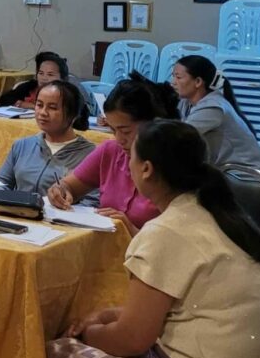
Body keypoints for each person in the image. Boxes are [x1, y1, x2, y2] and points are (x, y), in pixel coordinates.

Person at [0, 120, 260, 358]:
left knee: (56, 354)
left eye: (129, 155)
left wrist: (88, 334)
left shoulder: (167, 231)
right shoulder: (219, 214)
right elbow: (178, 309)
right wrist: (107, 317)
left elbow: (132, 339)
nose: (125, 162)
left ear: (146, 169)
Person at [48, 72, 179, 235]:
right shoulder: (111, 150)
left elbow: (178, 241)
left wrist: (129, 229)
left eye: (126, 131)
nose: (119, 139)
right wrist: (60, 191)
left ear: (153, 124)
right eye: (113, 130)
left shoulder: (175, 165)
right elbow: (70, 186)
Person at [0, 80, 97, 201]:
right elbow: (0, 185)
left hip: (62, 212)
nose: (43, 113)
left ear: (73, 115)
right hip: (18, 210)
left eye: (52, 108)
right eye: (39, 105)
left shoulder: (91, 155)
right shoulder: (22, 145)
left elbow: (92, 201)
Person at [171, 55, 260, 171]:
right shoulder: (186, 103)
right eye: (173, 76)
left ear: (198, 82)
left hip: (243, 175)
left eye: (178, 77)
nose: (173, 82)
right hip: (223, 172)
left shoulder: (213, 106)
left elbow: (178, 136)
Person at [0, 52, 69, 109]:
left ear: (62, 78)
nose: (44, 78)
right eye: (41, 73)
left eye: (50, 75)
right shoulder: (30, 87)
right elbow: (4, 100)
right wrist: (28, 105)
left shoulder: (68, 95)